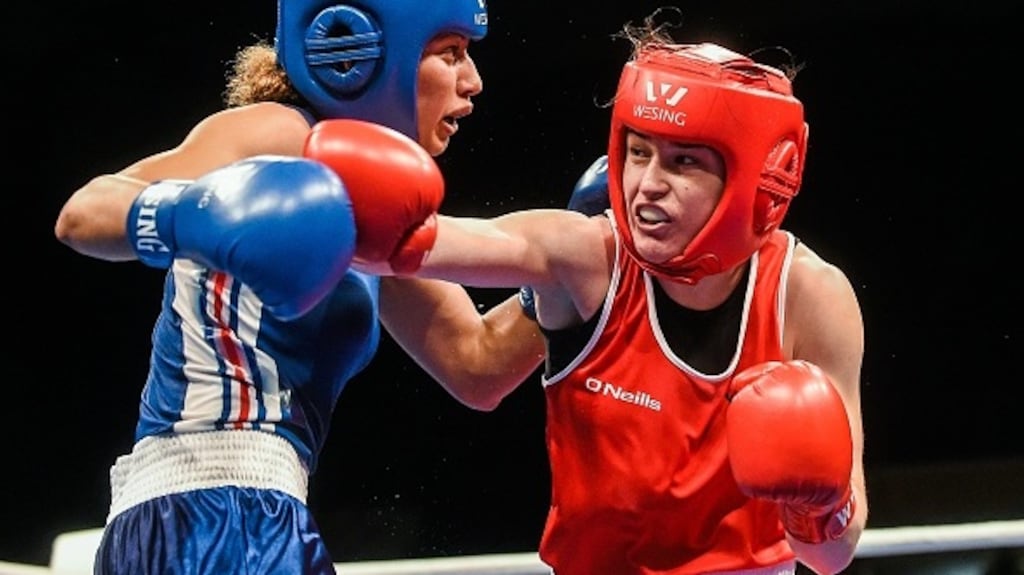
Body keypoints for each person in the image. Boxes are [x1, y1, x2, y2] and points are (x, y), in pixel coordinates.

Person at [304, 18, 868, 575]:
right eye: (639, 151)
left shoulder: (808, 296)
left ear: (754, 177)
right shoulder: (586, 257)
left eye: (684, 161)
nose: (647, 183)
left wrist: (818, 507)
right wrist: (309, 137)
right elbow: (404, 242)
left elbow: (831, 556)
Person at [53, 1, 546, 573]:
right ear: (362, 53)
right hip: (209, 505)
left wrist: (570, 280)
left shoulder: (373, 202)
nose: (473, 81)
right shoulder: (281, 133)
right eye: (450, 54)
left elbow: (476, 363)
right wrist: (195, 214)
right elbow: (83, 213)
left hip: (248, 512)